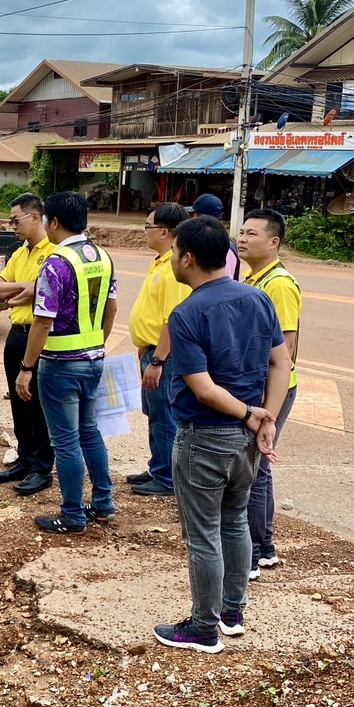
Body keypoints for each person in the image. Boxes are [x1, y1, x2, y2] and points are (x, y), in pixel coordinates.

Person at [151, 216, 291, 654]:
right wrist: (266, 418)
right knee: (234, 522)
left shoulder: (187, 313)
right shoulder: (257, 298)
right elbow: (281, 362)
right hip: (246, 441)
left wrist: (251, 413)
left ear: (188, 259)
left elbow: (204, 389)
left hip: (205, 436)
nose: (173, 259)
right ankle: (232, 612)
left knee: (203, 534)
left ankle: (203, 627)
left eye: (175, 252)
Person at [15, 190, 117, 534]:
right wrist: (96, 346)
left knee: (66, 441)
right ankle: (103, 503)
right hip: (93, 359)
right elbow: (111, 309)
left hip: (60, 363)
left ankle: (73, 514)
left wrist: (26, 368)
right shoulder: (102, 257)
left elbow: (43, 321)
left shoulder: (56, 263)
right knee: (90, 432)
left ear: (54, 222)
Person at [237, 208, 302, 579]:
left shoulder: (278, 284)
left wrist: (266, 404)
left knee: (254, 471)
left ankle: (253, 553)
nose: (242, 239)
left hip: (269, 390)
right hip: (259, 387)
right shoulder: (255, 278)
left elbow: (284, 348)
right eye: (242, 232)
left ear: (274, 242)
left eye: (252, 234)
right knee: (257, 469)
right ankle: (263, 549)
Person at [0, 193, 54, 495]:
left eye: (16, 220)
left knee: (38, 404)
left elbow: (46, 289)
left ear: (35, 217)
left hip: (40, 335)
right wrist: (28, 288)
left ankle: (41, 467)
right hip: (16, 333)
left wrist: (30, 290)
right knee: (18, 401)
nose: (12, 225)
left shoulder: (54, 251)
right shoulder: (20, 253)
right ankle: (25, 459)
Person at [126, 202, 190, 498]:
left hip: (163, 356)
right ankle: (158, 466)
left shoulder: (174, 268)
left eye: (147, 226)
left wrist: (158, 360)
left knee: (164, 415)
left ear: (164, 231)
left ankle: (167, 477)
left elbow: (172, 320)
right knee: (154, 413)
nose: (145, 232)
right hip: (151, 351)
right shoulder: (160, 262)